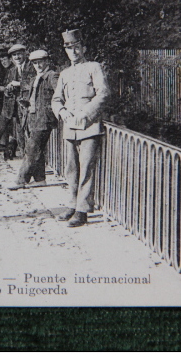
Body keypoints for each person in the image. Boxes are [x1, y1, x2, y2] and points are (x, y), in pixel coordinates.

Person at [51, 30, 109, 227]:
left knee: (86, 169)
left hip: (89, 126)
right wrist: (62, 112)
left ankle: (82, 210)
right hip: (70, 128)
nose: (73, 51)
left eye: (76, 47)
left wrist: (86, 113)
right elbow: (56, 99)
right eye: (69, 48)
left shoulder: (94, 67)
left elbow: (103, 93)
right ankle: (72, 204)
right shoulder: (65, 74)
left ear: (83, 48)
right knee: (71, 169)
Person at [8, 50, 59, 190]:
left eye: (41, 62)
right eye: (35, 63)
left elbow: (59, 94)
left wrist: (51, 109)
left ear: (47, 61)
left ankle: (21, 180)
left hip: (44, 118)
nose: (38, 65)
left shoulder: (51, 75)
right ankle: (40, 178)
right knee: (38, 148)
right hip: (32, 117)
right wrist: (26, 102)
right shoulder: (37, 77)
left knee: (31, 149)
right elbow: (36, 96)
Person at [0, 44, 33, 159]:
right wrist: (7, 90)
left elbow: (34, 84)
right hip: (12, 104)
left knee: (23, 130)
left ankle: (24, 154)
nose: (17, 57)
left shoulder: (32, 67)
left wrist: (18, 84)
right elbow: (6, 84)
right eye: (14, 55)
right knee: (11, 125)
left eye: (19, 54)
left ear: (24, 54)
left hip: (26, 105)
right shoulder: (12, 70)